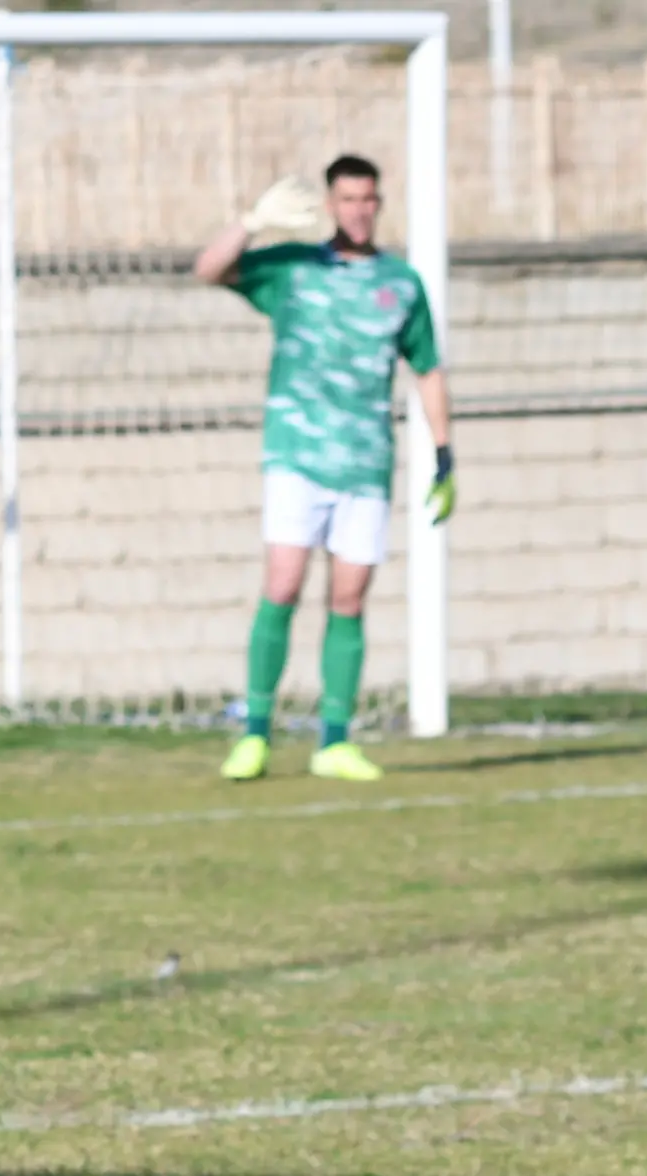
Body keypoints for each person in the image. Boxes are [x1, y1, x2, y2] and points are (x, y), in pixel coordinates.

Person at [194, 153, 455, 784]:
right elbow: (210, 270)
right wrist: (252, 221)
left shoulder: (401, 284)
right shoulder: (294, 271)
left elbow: (426, 369)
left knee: (349, 597)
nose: (358, 210)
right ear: (330, 205)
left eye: (368, 199)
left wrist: (445, 455)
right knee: (282, 585)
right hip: (297, 456)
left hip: (365, 463)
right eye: (347, 199)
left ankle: (334, 741)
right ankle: (255, 733)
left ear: (379, 204)